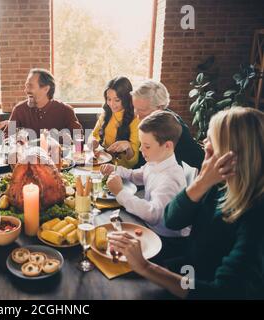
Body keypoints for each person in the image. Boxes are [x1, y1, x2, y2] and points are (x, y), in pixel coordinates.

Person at [109, 107, 264, 299]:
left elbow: (219, 293)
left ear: (238, 156)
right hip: (189, 269)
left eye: (213, 143)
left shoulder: (256, 218)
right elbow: (172, 220)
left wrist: (146, 267)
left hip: (198, 286)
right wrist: (202, 182)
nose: (204, 146)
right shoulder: (217, 186)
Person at [103, 111, 190, 257]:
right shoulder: (156, 160)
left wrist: (120, 192)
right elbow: (137, 176)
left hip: (166, 241)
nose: (140, 149)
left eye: (147, 146)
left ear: (167, 146)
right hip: (149, 227)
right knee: (109, 228)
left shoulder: (170, 179)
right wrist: (116, 169)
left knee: (111, 240)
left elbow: (153, 214)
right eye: (141, 144)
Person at [131, 80, 204, 170]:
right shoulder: (148, 119)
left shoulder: (173, 127)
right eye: (135, 108)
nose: (136, 115)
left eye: (142, 110)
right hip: (144, 172)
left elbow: (199, 160)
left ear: (159, 108)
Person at [6, 68, 82, 138]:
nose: (26, 90)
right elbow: (6, 140)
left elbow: (79, 143)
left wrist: (64, 141)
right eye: (26, 86)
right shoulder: (19, 110)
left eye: (30, 86)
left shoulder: (66, 111)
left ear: (46, 89)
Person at [88, 76, 140, 168]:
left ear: (126, 99)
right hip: (102, 164)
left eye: (117, 100)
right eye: (109, 99)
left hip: (121, 171)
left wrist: (128, 146)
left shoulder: (135, 120)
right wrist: (93, 141)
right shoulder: (106, 113)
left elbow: (133, 162)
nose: (111, 104)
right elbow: (94, 134)